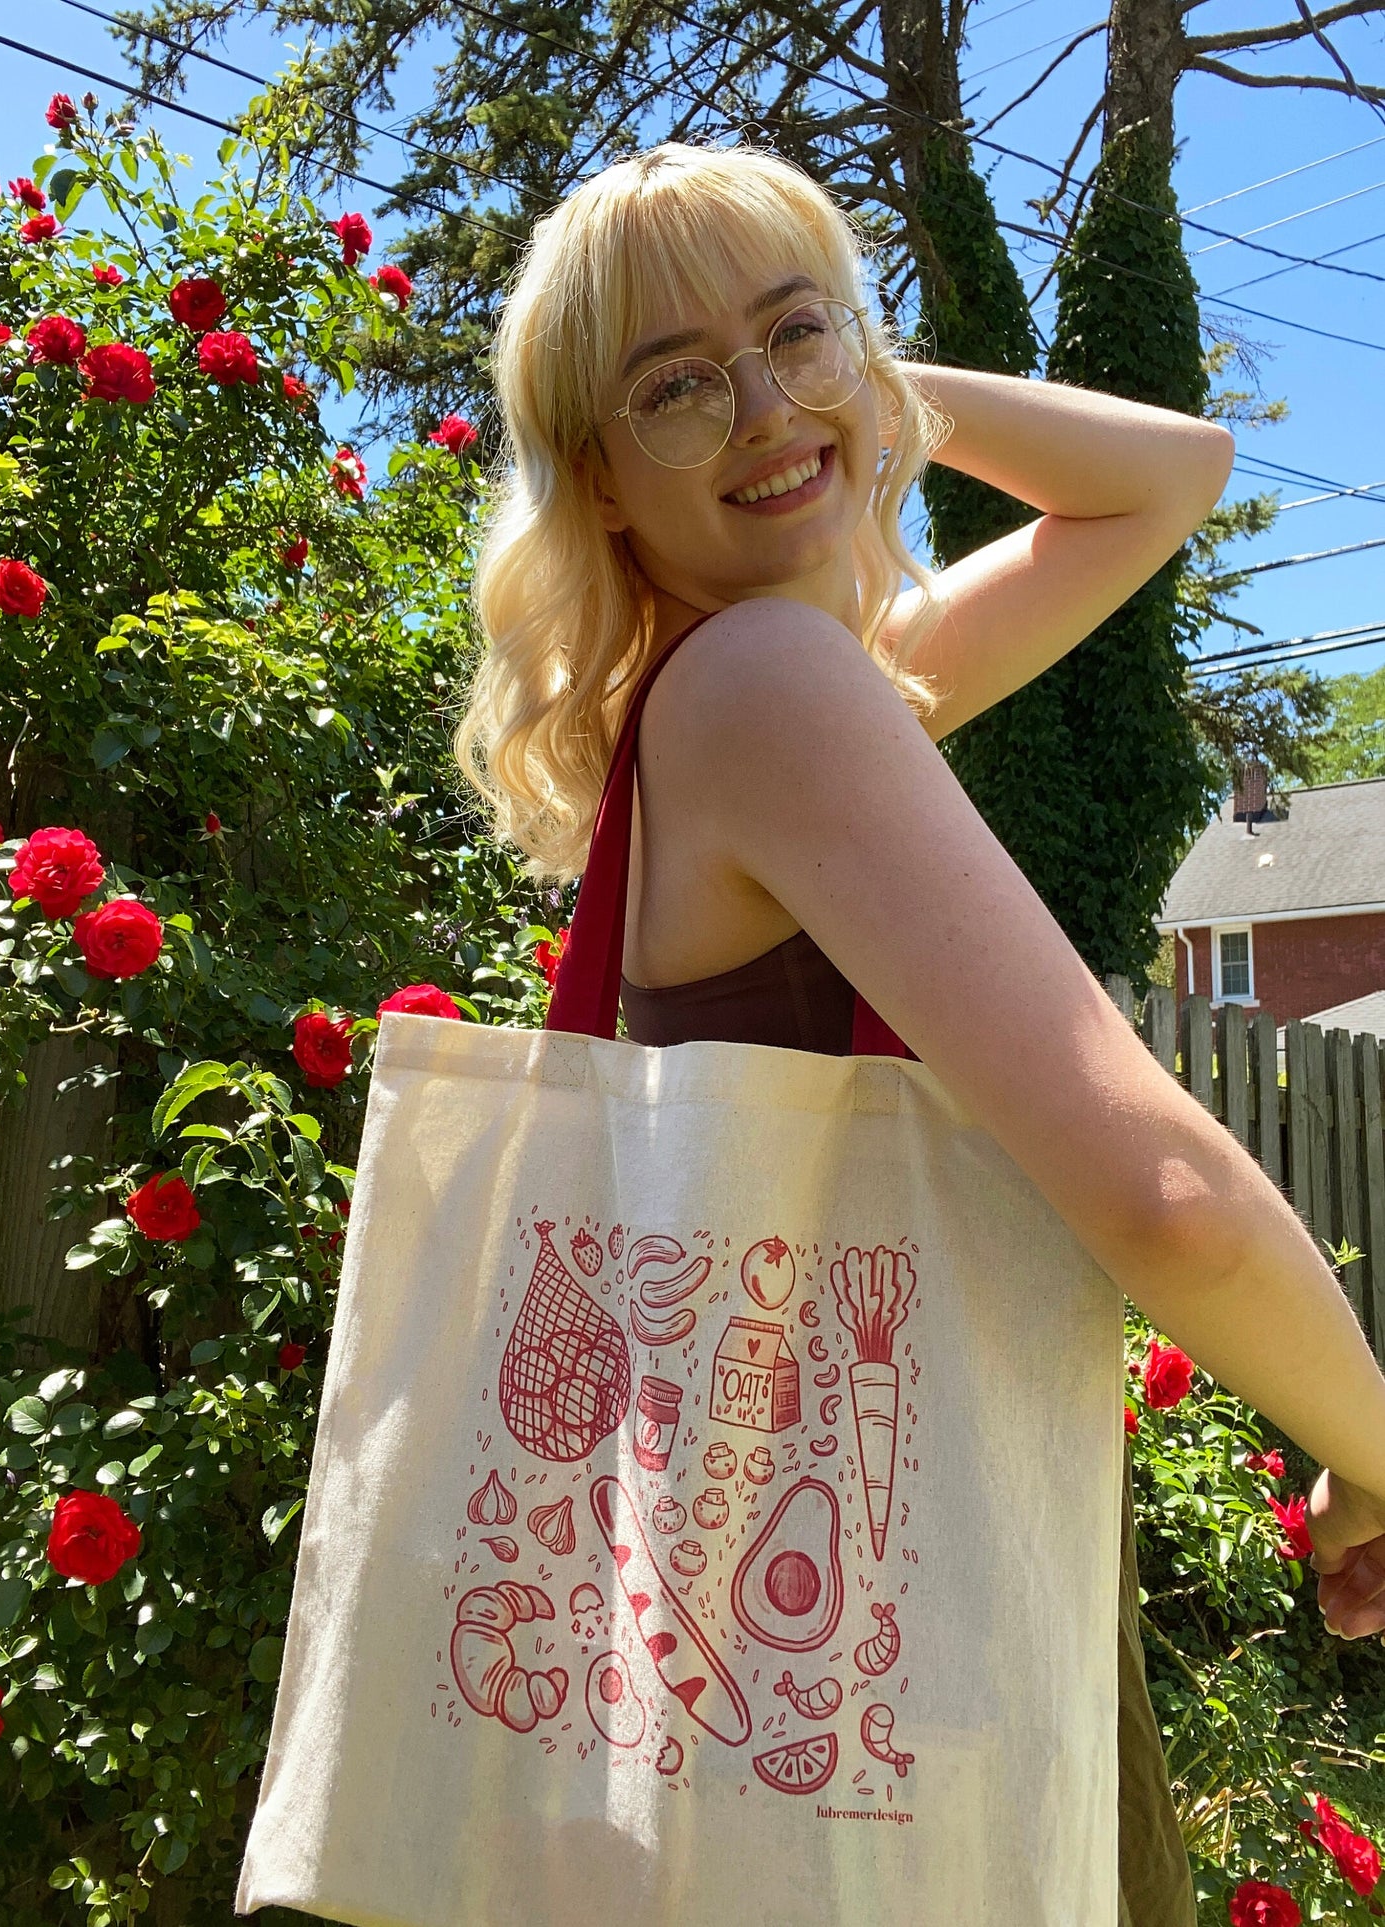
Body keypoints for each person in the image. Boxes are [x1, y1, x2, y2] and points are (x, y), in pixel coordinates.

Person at [452, 137, 1385, 1919]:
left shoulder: (759, 689)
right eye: (671, 387)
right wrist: (1370, 1441)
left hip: (819, 1617)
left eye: (793, 333)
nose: (754, 410)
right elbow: (1159, 1197)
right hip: (906, 1615)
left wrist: (841, 391)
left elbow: (1168, 477)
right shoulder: (778, 688)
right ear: (597, 482)